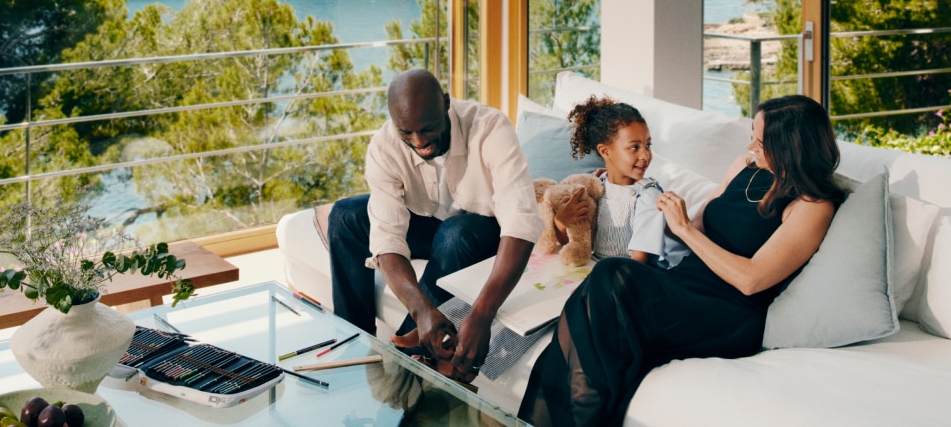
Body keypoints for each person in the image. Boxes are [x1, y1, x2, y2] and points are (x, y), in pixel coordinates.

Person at [518, 95, 847, 426]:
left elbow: (751, 279)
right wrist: (648, 206)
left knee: (611, 279)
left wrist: (684, 229)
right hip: (682, 282)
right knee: (602, 290)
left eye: (760, 142)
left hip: (727, 310)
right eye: (753, 135)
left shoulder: (812, 206)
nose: (751, 146)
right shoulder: (744, 166)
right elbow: (697, 225)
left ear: (790, 146)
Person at [328, 69, 587, 383]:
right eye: (407, 132)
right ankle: (354, 344)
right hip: (430, 224)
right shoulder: (385, 146)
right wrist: (421, 311)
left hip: (483, 231)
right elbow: (387, 238)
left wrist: (481, 314)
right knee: (344, 216)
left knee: (455, 234)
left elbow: (521, 222)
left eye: (427, 128)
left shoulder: (490, 128)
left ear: (446, 104)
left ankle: (411, 360)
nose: (419, 141)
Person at [564, 95, 686, 265]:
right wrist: (561, 222)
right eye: (635, 147)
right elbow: (574, 240)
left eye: (647, 145)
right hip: (597, 265)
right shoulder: (596, 185)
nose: (645, 155)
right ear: (605, 151)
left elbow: (638, 262)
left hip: (631, 272)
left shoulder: (647, 196)